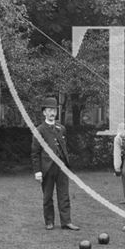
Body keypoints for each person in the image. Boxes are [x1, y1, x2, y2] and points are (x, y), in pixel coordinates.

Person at [31, 97, 79, 231]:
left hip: (62, 168)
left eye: (54, 110)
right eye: (49, 110)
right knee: (47, 197)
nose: (52, 113)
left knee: (64, 195)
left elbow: (63, 148)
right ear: (44, 112)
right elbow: (35, 153)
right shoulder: (39, 130)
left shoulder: (61, 128)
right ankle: (49, 222)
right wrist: (37, 171)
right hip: (47, 168)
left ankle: (66, 222)